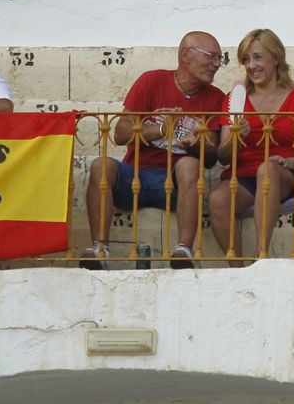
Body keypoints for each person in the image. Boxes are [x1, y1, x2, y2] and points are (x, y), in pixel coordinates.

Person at [79, 31, 228, 269]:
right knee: (101, 165)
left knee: (190, 164)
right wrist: (161, 130)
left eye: (220, 59)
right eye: (211, 56)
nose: (217, 64)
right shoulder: (152, 81)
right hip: (135, 176)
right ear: (185, 54)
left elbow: (210, 159)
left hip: (176, 184)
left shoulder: (217, 98)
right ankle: (100, 251)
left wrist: (196, 144)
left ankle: (183, 251)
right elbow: (120, 134)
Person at [205, 29, 294, 263]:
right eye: (246, 60)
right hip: (243, 178)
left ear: (276, 58)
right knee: (218, 199)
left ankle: (262, 257)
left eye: (258, 57)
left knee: (267, 170)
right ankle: (238, 269)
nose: (251, 66)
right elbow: (223, 157)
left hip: (284, 174)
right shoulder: (235, 98)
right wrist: (235, 138)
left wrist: (288, 162)